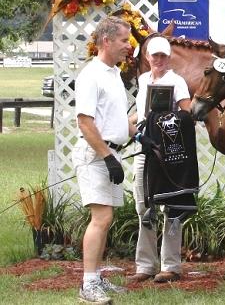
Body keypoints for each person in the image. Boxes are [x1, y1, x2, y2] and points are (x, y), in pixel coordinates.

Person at [72, 15, 142, 304]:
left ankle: (96, 277)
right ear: (106, 41)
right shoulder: (91, 75)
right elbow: (86, 122)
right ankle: (88, 285)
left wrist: (136, 132)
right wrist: (106, 157)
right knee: (101, 218)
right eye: (125, 40)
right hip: (95, 155)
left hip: (109, 152)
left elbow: (113, 120)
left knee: (106, 218)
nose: (130, 46)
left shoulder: (113, 73)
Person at [127, 35, 191, 283]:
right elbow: (142, 113)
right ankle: (145, 265)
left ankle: (171, 265)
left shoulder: (177, 81)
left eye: (163, 56)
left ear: (169, 57)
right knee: (143, 206)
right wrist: (128, 125)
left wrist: (167, 121)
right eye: (155, 55)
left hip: (168, 151)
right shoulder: (143, 80)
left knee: (171, 205)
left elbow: (186, 114)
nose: (159, 60)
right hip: (145, 147)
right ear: (147, 57)